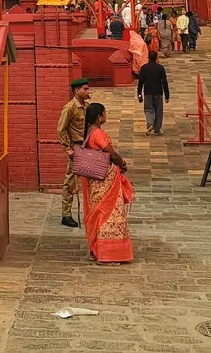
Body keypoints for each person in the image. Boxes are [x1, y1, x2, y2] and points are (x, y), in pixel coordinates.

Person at [80, 103, 133, 263]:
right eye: (104, 113)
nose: (106, 115)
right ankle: (110, 252)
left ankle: (96, 250)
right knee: (109, 214)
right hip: (106, 183)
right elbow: (111, 153)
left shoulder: (89, 132)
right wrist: (122, 163)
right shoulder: (98, 133)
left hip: (96, 183)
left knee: (98, 213)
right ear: (99, 117)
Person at [56, 79, 90, 228]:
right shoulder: (70, 108)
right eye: (85, 89)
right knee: (70, 181)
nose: (88, 92)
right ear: (77, 91)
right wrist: (67, 149)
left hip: (87, 147)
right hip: (75, 148)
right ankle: (66, 214)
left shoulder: (87, 107)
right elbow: (60, 129)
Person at [136, 50, 170, 136]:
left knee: (148, 109)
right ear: (156, 58)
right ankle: (157, 129)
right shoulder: (160, 68)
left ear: (148, 58)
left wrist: (139, 94)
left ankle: (150, 123)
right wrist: (167, 95)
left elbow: (140, 83)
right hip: (158, 92)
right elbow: (164, 82)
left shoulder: (144, 68)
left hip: (148, 92)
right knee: (159, 111)